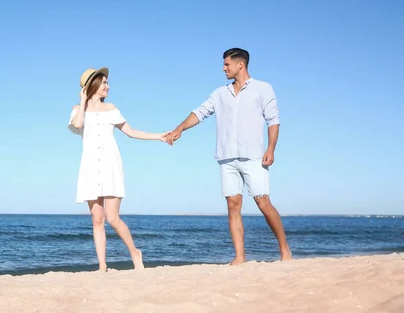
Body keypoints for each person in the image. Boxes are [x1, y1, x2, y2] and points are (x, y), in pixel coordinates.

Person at [165, 48, 292, 265]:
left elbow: (273, 120)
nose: (224, 68)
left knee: (263, 202)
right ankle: (240, 257)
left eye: (227, 65)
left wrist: (271, 148)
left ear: (240, 65)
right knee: (233, 205)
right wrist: (179, 129)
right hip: (226, 158)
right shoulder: (219, 94)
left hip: (254, 156)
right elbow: (200, 112)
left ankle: (285, 250)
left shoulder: (263, 89)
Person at [68, 67, 169, 272]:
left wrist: (159, 136)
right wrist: (82, 100)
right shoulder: (77, 110)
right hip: (89, 167)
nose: (108, 86)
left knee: (112, 218)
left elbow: (131, 132)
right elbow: (78, 125)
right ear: (92, 85)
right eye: (104, 82)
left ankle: (135, 252)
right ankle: (102, 266)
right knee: (97, 219)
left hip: (110, 166)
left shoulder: (112, 109)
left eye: (107, 82)